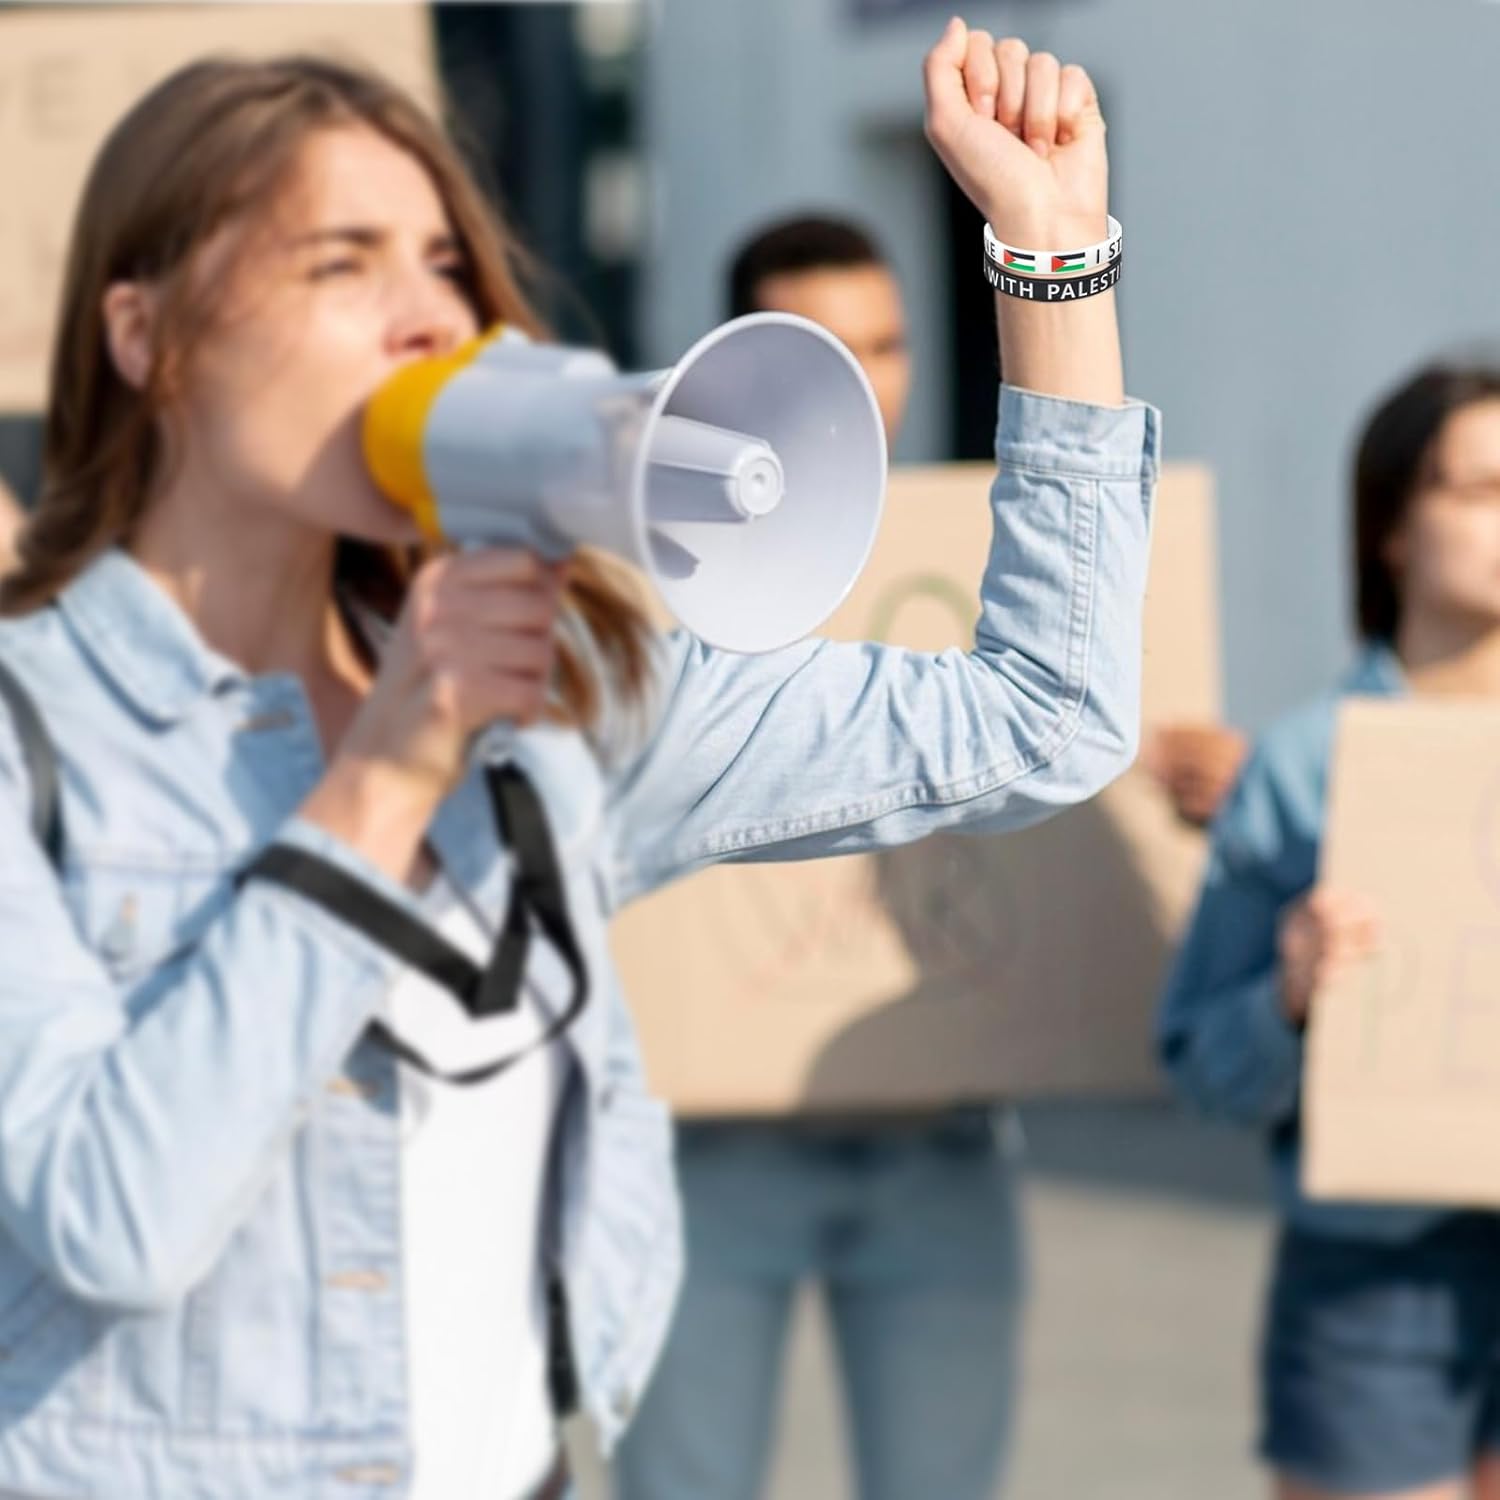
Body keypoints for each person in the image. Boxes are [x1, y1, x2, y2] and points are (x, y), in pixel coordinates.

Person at [0, 20, 1155, 1500]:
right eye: (340, 263)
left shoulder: (560, 701)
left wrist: (1053, 258)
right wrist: (386, 777)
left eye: (441, 264)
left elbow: (1046, 716)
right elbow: (117, 1219)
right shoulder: (41, 735)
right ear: (143, 334)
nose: (420, 316)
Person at [616, 212, 1029, 1500]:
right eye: (826, 346)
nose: (869, 376)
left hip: (941, 1134)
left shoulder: (988, 565)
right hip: (709, 1146)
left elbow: (1046, 742)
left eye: (890, 341)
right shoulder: (641, 578)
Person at [1159, 361, 1500, 1500]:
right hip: (1372, 1283)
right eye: (1481, 488)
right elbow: (1202, 1065)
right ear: (1394, 525)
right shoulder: (1306, 769)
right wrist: (1288, 1000)